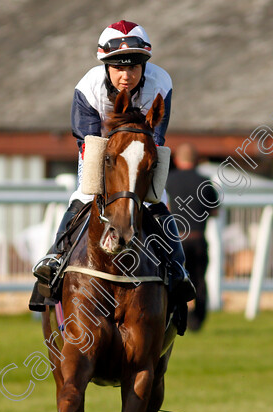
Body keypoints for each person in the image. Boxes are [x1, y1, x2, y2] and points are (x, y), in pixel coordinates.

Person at [29, 20, 193, 311]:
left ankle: (178, 268)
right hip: (99, 147)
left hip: (140, 146)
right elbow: (88, 143)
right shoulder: (88, 87)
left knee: (158, 199)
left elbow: (154, 138)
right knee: (84, 193)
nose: (126, 76)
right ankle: (55, 259)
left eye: (133, 67)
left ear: (144, 66)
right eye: (119, 68)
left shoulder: (161, 83)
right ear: (106, 66)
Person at [165, 143, 218, 331]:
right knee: (199, 279)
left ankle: (176, 316)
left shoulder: (169, 180)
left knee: (174, 279)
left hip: (175, 240)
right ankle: (198, 321)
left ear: (177, 160)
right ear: (196, 160)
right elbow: (215, 211)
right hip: (197, 238)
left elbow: (165, 209)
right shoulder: (205, 181)